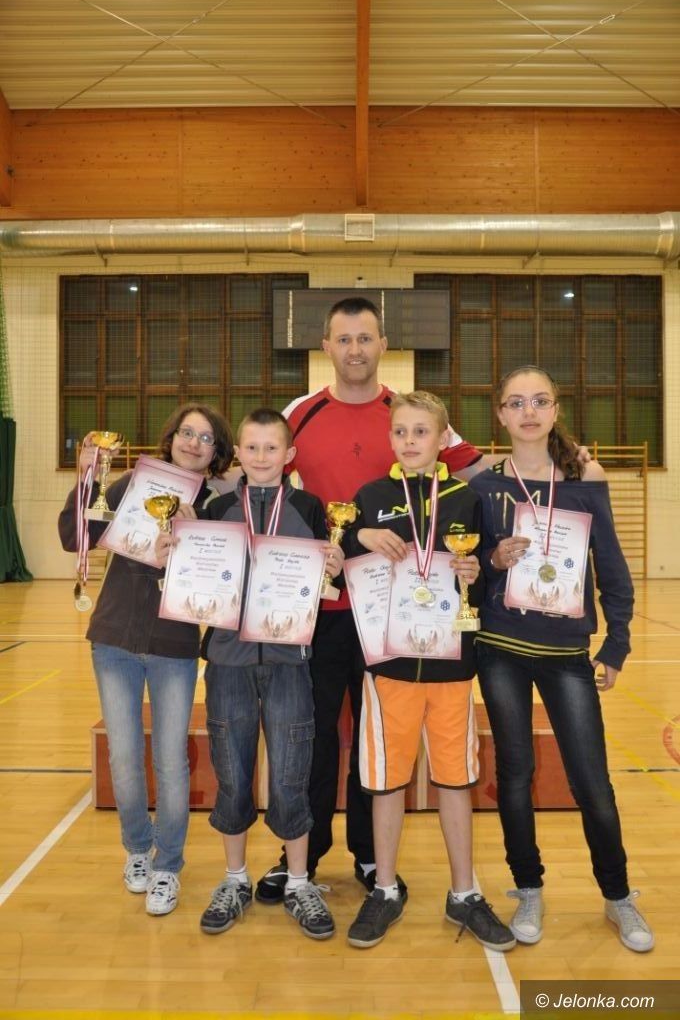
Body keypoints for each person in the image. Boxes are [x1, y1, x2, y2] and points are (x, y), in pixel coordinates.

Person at [255, 296, 489, 905]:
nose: (355, 349)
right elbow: (254, 467)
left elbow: (479, 474)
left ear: (384, 344)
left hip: (395, 615)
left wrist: (561, 473)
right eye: (344, 339)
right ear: (326, 347)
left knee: (373, 739)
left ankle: (367, 855)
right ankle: (300, 855)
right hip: (320, 608)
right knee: (311, 736)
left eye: (365, 338)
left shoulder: (409, 414)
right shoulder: (301, 412)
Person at [469, 366, 654, 953]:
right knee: (515, 774)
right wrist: (493, 559)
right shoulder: (483, 484)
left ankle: (617, 895)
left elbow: (612, 567)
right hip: (500, 649)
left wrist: (617, 643)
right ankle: (528, 887)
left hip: (567, 652)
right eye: (516, 402)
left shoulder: (585, 479)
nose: (528, 411)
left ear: (554, 409)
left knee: (591, 780)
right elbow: (469, 573)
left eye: (540, 401)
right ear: (500, 413)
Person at [340, 391, 515, 950]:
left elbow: (485, 574)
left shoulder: (468, 498)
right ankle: (385, 889)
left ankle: (464, 893)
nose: (410, 441)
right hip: (389, 665)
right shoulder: (370, 497)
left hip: (451, 666)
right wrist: (358, 535)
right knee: (387, 782)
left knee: (455, 780)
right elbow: (338, 564)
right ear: (390, 437)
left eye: (421, 431)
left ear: (443, 439)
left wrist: (476, 571)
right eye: (401, 431)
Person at [167, 409, 343, 940]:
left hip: (290, 663)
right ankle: (235, 879)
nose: (261, 456)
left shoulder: (311, 508)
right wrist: (179, 551)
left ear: (289, 455)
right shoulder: (217, 509)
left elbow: (323, 582)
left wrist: (332, 565)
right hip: (228, 663)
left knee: (291, 776)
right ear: (238, 454)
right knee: (232, 774)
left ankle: (298, 882)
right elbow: (198, 577)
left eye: (272, 448)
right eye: (252, 447)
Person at [58, 404, 233, 916]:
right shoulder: (131, 486)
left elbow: (221, 580)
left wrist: (197, 534)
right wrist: (87, 478)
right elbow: (74, 537)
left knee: (171, 761)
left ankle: (168, 864)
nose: (193, 442)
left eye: (206, 438)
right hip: (113, 639)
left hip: (173, 647)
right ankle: (137, 849)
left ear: (216, 453)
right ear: (171, 437)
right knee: (123, 757)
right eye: (187, 432)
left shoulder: (219, 506)